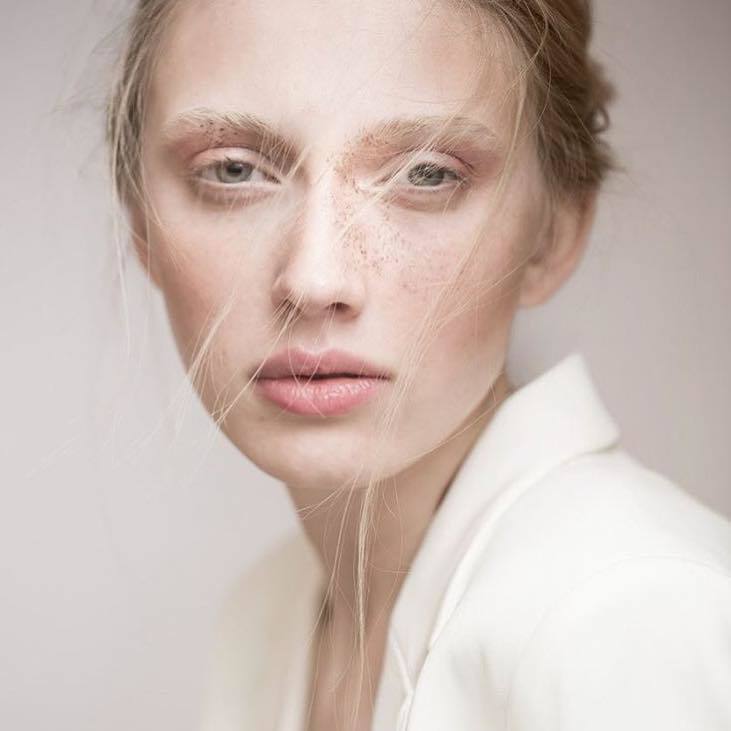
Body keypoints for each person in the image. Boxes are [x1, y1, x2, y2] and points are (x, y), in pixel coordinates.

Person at [105, 0, 731, 729]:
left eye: (427, 174)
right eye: (234, 170)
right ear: (140, 219)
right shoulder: (264, 616)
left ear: (552, 232)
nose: (315, 279)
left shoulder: (626, 619)